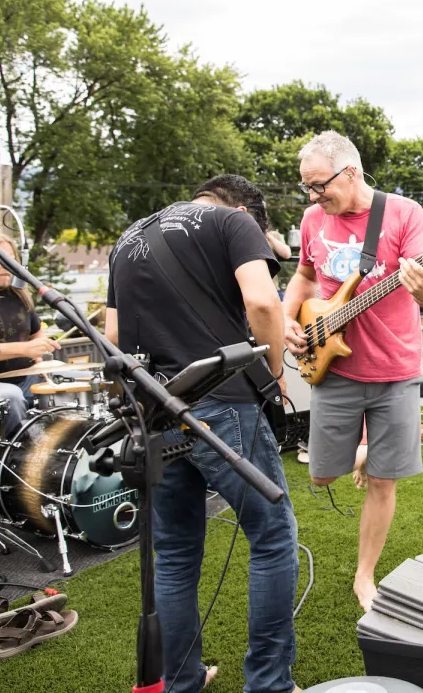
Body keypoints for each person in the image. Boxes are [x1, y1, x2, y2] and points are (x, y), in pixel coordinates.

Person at [105, 175, 300, 693]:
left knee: (173, 553)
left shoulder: (128, 237)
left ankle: (183, 682)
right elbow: (262, 304)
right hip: (225, 402)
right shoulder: (235, 222)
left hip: (154, 413)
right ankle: (269, 684)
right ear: (247, 210)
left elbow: (111, 335)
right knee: (273, 536)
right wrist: (276, 373)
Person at [282, 130, 423, 611]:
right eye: (306, 187)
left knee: (384, 480)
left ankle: (364, 575)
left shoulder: (404, 214)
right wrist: (290, 318)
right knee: (320, 475)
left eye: (318, 185)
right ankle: (357, 457)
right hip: (331, 366)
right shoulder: (314, 219)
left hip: (394, 368)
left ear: (350, 173)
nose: (312, 196)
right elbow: (306, 275)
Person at [0, 232, 59, 436]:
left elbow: (36, 335)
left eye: (10, 259)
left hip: (24, 377)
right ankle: (14, 462)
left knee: (74, 380)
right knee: (11, 396)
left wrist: (40, 353)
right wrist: (23, 349)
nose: (6, 265)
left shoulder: (19, 294)